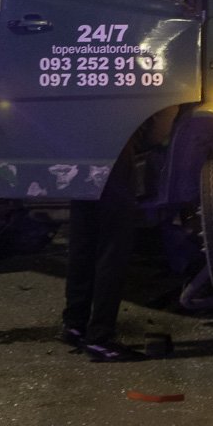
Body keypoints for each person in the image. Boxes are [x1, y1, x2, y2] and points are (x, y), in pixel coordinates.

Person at [61, 140, 143, 362]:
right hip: (114, 145)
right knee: (112, 247)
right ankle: (100, 337)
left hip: (81, 150)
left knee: (83, 241)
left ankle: (75, 325)